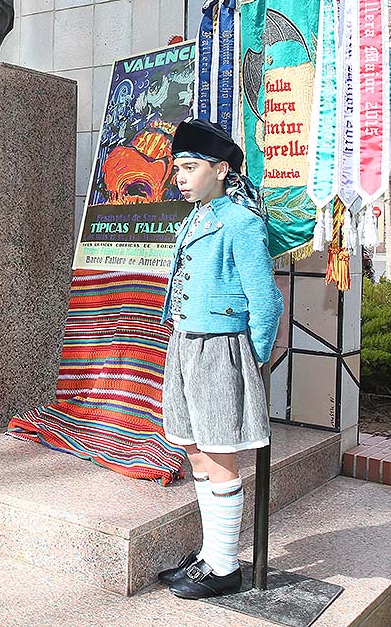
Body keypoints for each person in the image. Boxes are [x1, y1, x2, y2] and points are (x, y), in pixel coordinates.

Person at [156, 118, 283, 600]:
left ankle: (226, 565)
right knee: (192, 446)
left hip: (220, 348)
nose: (180, 177)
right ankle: (211, 555)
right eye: (177, 169)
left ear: (222, 170)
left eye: (189, 167)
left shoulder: (242, 222)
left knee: (219, 452)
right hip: (186, 344)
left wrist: (249, 360)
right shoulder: (196, 216)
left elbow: (265, 300)